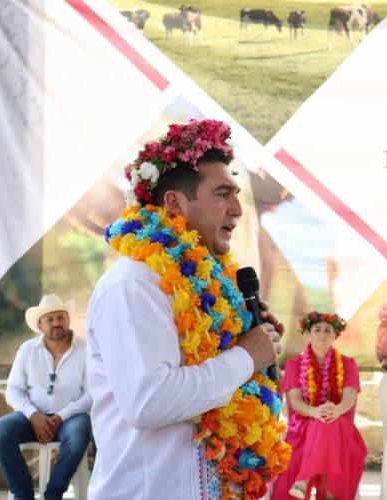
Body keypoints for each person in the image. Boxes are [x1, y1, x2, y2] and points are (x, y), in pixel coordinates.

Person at [86, 119, 290, 499]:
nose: (237, 209)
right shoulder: (135, 283)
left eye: (236, 194)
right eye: (222, 194)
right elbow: (149, 402)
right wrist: (245, 356)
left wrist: (251, 345)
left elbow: (225, 388)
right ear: (175, 203)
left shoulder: (213, 287)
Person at [0, 294, 92, 500]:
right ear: (40, 326)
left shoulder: (86, 349)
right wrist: (33, 415)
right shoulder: (27, 350)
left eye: (60, 317)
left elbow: (92, 394)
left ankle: (53, 495)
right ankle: (23, 495)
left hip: (70, 419)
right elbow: (14, 390)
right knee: (1, 430)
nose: (56, 323)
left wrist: (60, 417)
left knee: (81, 429)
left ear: (68, 320)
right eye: (50, 320)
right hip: (31, 418)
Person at [272, 312, 366, 500]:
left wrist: (334, 411)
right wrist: (315, 412)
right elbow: (295, 401)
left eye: (327, 330)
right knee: (321, 425)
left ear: (335, 335)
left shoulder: (348, 364)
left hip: (340, 428)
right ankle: (326, 492)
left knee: (327, 424)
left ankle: (302, 480)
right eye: (317, 330)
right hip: (302, 430)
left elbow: (349, 397)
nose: (322, 335)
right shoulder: (294, 364)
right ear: (308, 334)